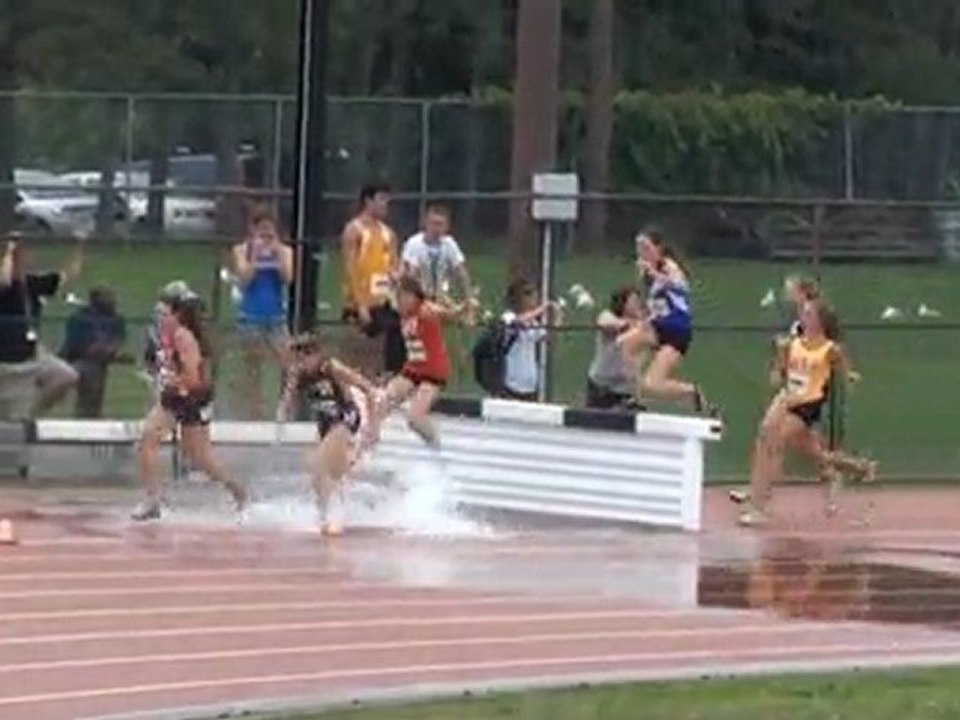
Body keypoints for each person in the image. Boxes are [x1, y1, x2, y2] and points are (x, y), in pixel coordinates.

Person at [735, 299, 875, 527]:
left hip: (808, 405)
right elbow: (781, 373)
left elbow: (844, 370)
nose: (803, 317)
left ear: (820, 320)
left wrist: (850, 377)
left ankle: (759, 506)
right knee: (816, 454)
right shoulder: (792, 344)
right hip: (789, 399)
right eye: (803, 313)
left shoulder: (830, 349)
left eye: (809, 314)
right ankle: (859, 467)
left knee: (773, 443)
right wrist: (777, 368)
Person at [132, 294, 248, 522]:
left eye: (164, 314)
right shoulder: (164, 337)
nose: (160, 319)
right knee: (147, 440)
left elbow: (192, 376)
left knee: (199, 457)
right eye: (158, 314)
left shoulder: (183, 337)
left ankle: (238, 491)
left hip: (192, 397)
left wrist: (172, 380)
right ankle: (152, 499)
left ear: (178, 316)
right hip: (175, 396)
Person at [276, 334, 379, 536]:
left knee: (321, 467)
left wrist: (373, 426)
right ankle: (328, 515)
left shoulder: (332, 368)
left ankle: (333, 517)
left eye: (305, 358)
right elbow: (287, 399)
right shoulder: (297, 373)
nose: (301, 364)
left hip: (344, 417)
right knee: (330, 475)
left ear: (315, 354)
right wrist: (281, 417)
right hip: (325, 422)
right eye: (297, 360)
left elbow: (368, 389)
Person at [617, 228, 715, 414]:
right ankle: (634, 397)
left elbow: (680, 286)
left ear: (658, 249)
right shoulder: (643, 272)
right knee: (624, 344)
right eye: (638, 248)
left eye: (646, 248)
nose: (641, 253)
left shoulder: (668, 266)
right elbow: (653, 302)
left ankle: (691, 391)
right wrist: (643, 320)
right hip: (657, 326)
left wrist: (653, 272)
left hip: (677, 329)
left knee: (653, 384)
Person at [370, 277, 469, 452]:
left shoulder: (425, 310)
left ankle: (437, 448)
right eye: (397, 297)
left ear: (412, 297)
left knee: (414, 418)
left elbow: (447, 314)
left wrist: (463, 308)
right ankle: (369, 442)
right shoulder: (402, 311)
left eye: (401, 297)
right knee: (381, 402)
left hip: (433, 373)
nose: (398, 301)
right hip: (413, 369)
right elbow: (383, 290)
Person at [0, 235, 82, 420]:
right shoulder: (5, 284)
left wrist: (77, 246)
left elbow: (68, 276)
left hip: (30, 355)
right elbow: (4, 280)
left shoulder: (32, 284)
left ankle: (33, 415)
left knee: (65, 376)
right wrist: (10, 251)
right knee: (9, 423)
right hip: (7, 361)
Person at [230, 208, 294, 419]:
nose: (266, 239)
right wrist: (256, 257)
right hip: (250, 315)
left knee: (288, 362)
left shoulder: (284, 251)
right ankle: (253, 410)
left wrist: (276, 254)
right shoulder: (242, 250)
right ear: (252, 231)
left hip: (276, 316)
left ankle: (284, 407)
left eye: (270, 234)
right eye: (261, 233)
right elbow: (244, 278)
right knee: (253, 366)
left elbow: (287, 278)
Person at [340, 182, 404, 379]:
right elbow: (350, 268)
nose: (385, 205)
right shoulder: (354, 229)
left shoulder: (388, 233)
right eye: (381, 200)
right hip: (361, 300)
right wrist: (360, 305)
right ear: (368, 201)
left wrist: (397, 274)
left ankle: (378, 389)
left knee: (385, 350)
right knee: (360, 351)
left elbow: (394, 263)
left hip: (383, 299)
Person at [59, 286, 128, 418]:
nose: (112, 303)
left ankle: (90, 416)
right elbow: (76, 346)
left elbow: (119, 340)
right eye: (107, 299)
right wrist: (102, 351)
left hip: (101, 359)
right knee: (91, 370)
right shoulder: (79, 318)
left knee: (96, 369)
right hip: (75, 359)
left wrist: (112, 350)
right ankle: (86, 417)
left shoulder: (117, 319)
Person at [401, 203, 475, 310]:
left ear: (447, 227)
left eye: (440, 224)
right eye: (433, 223)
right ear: (425, 223)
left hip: (441, 296)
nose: (436, 228)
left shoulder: (449, 244)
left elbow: (461, 272)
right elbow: (411, 275)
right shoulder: (414, 243)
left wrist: (469, 299)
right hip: (418, 298)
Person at [500, 279, 562, 402]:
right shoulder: (508, 317)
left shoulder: (534, 322)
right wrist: (543, 308)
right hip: (511, 385)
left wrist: (557, 318)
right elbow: (518, 322)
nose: (533, 299)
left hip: (530, 386)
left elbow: (547, 338)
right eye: (528, 294)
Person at [586, 286, 646, 410]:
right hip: (601, 386)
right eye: (633, 301)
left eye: (638, 301)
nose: (637, 305)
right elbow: (605, 322)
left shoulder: (643, 326)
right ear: (622, 303)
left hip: (624, 389)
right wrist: (626, 325)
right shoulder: (608, 315)